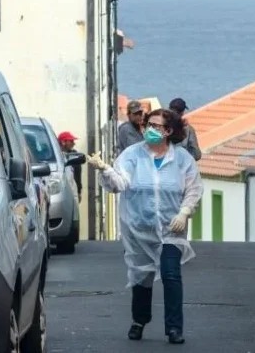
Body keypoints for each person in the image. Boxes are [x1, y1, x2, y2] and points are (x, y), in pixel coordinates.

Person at [86, 108, 204, 345]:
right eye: (147, 125)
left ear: (169, 131)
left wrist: (184, 212)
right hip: (139, 229)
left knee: (171, 275)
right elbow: (120, 183)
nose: (149, 130)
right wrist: (105, 169)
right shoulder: (132, 155)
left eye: (156, 126)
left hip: (172, 229)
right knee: (142, 277)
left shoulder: (182, 159)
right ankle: (139, 320)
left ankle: (174, 328)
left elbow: (193, 189)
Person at [57, 131, 84, 202]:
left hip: (72, 191)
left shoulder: (73, 155)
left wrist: (79, 191)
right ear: (63, 142)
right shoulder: (55, 156)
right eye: (71, 141)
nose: (73, 143)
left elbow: (78, 175)